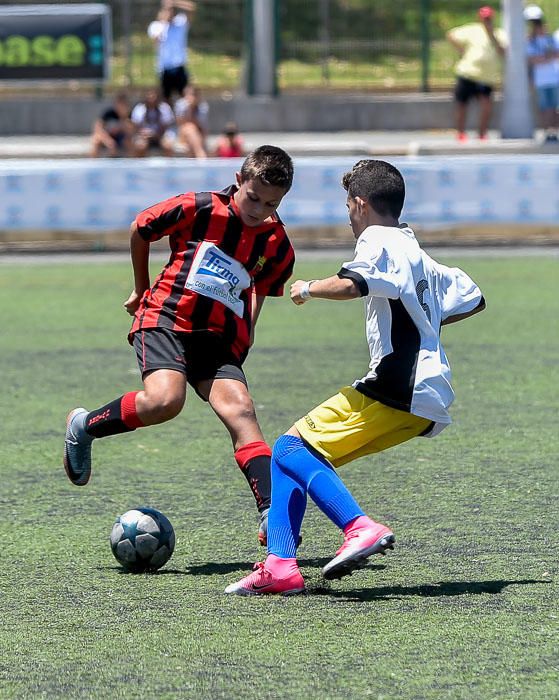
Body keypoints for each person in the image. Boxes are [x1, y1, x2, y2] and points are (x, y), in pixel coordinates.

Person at [225, 159, 486, 595]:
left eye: (348, 206)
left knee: (289, 446)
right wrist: (424, 325)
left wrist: (307, 288)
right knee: (292, 456)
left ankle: (358, 527)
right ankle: (281, 568)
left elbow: (354, 283)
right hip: (424, 393)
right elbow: (472, 299)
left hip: (397, 384)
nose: (348, 215)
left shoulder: (379, 240)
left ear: (361, 204)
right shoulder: (414, 251)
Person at [63, 146, 295, 545]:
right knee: (165, 402)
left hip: (217, 338)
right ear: (239, 181)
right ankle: (84, 426)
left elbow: (261, 287)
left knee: (241, 410)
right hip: (165, 319)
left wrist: (249, 330)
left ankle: (270, 515)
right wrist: (140, 288)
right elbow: (141, 228)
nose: (258, 209)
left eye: (270, 203)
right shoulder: (200, 207)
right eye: (253, 197)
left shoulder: (277, 244)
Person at [447, 6, 507, 142]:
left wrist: (492, 35)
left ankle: (482, 134)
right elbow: (451, 34)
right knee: (462, 105)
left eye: (489, 19)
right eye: (485, 19)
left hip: (486, 78)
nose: (487, 21)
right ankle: (461, 133)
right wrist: (461, 49)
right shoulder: (472, 30)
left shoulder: (499, 34)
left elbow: (503, 51)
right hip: (468, 74)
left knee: (486, 106)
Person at [148, 0, 196, 103]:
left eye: (171, 11)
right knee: (165, 99)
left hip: (179, 67)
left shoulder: (181, 23)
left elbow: (192, 8)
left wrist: (174, 2)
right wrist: (164, 22)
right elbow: (156, 40)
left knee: (185, 97)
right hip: (165, 69)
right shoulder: (156, 26)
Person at [524, 5, 559, 143]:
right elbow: (533, 60)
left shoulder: (551, 39)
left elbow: (556, 55)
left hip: (555, 78)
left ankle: (554, 131)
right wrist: (547, 57)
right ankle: (547, 132)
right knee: (545, 108)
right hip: (540, 80)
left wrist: (545, 57)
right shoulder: (530, 42)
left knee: (555, 108)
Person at [130, 88, 176, 157]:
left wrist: (156, 133)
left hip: (161, 135)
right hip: (144, 136)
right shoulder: (139, 108)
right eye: (149, 96)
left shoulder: (164, 107)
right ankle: (139, 166)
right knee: (140, 146)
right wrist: (143, 133)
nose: (151, 98)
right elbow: (135, 125)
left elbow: (167, 124)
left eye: (153, 96)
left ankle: (168, 167)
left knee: (168, 146)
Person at [90, 93, 133, 158]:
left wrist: (123, 117)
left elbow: (131, 131)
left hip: (121, 137)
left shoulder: (128, 115)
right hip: (108, 137)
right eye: (119, 103)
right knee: (96, 140)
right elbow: (98, 128)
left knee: (130, 143)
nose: (120, 106)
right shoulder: (108, 113)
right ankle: (93, 162)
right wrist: (108, 140)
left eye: (123, 104)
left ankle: (131, 163)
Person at [174, 85, 209, 158]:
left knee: (191, 130)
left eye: (194, 94)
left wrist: (193, 108)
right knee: (190, 127)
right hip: (183, 133)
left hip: (198, 133)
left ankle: (199, 154)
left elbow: (202, 126)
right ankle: (201, 155)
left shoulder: (203, 106)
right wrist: (189, 109)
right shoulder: (180, 105)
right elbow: (180, 123)